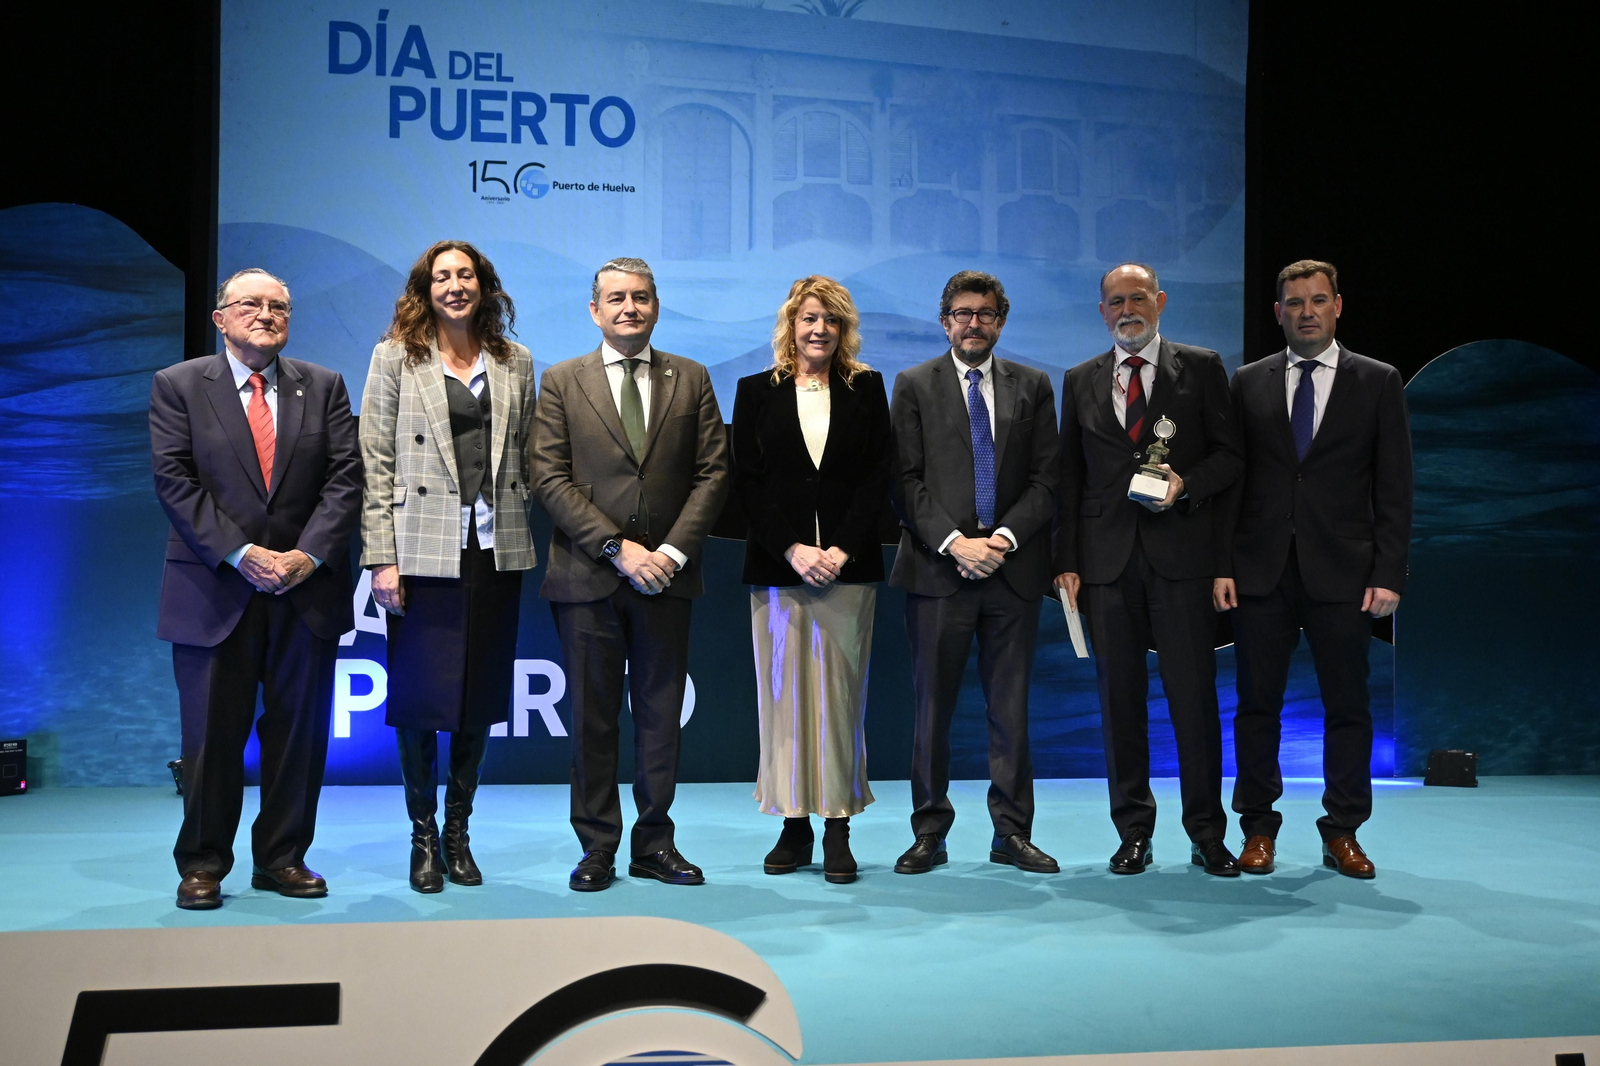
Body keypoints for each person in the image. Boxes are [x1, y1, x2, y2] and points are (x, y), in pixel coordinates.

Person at [150, 268, 362, 910]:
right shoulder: (179, 386)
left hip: (305, 592)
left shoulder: (322, 386)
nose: (265, 314)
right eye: (250, 304)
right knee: (212, 739)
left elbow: (346, 478)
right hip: (216, 590)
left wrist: (307, 555)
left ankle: (283, 858)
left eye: (278, 306)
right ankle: (204, 864)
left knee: (299, 736)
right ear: (220, 318)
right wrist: (241, 555)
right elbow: (174, 481)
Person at [531, 256, 730, 892]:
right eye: (615, 298)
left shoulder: (691, 377)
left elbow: (714, 474)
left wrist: (669, 554)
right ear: (594, 310)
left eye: (641, 297)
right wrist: (618, 548)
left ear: (656, 306)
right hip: (589, 576)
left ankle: (654, 843)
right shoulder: (563, 380)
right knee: (591, 719)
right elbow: (548, 477)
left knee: (659, 716)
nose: (629, 308)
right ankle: (596, 847)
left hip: (667, 579)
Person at [1214, 260, 1412, 878]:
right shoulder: (1247, 382)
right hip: (1259, 571)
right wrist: (1222, 564)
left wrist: (1389, 573)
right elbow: (1229, 483)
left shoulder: (1378, 381)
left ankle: (1343, 831)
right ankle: (1258, 830)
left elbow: (1395, 487)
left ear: (1337, 307)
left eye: (1318, 300)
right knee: (1255, 707)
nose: (1306, 311)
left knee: (1348, 707)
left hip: (1347, 574)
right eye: (1294, 302)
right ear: (1277, 312)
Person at [1054, 263, 1244, 877]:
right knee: (1120, 705)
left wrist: (1186, 486)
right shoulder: (1080, 379)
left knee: (1193, 702)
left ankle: (1207, 832)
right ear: (1102, 311)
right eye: (1116, 301)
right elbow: (1070, 479)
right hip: (1107, 567)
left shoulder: (1204, 367)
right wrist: (1067, 563)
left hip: (1182, 560)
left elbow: (1231, 458)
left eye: (1139, 297)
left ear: (1160, 301)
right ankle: (1133, 830)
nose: (1127, 308)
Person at [359, 241, 537, 894]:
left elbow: (522, 453)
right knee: (418, 700)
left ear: (484, 286)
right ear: (424, 289)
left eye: (466, 275)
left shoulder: (515, 361)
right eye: (443, 277)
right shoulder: (394, 358)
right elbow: (375, 459)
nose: (455, 286)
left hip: (494, 546)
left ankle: (460, 832)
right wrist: (382, 557)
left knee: (478, 698)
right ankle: (423, 835)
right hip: (420, 549)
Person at [888, 270, 1061, 875]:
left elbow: (1046, 479)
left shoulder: (1034, 385)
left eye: (985, 313)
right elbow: (904, 482)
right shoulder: (912, 385)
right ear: (945, 322)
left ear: (1000, 322)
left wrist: (1004, 539)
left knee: (1009, 711)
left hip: (1011, 575)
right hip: (939, 574)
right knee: (932, 710)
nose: (973, 323)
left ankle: (1010, 833)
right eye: (962, 313)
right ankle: (929, 831)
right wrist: (957, 542)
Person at [732, 276, 891, 885]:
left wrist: (842, 550)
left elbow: (879, 477)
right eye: (807, 319)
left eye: (830, 319)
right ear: (790, 327)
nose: (818, 329)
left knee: (840, 704)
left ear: (843, 328)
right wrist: (794, 548)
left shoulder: (868, 388)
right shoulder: (755, 392)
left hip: (847, 573)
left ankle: (838, 827)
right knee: (784, 703)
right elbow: (747, 483)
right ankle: (794, 824)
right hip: (780, 570)